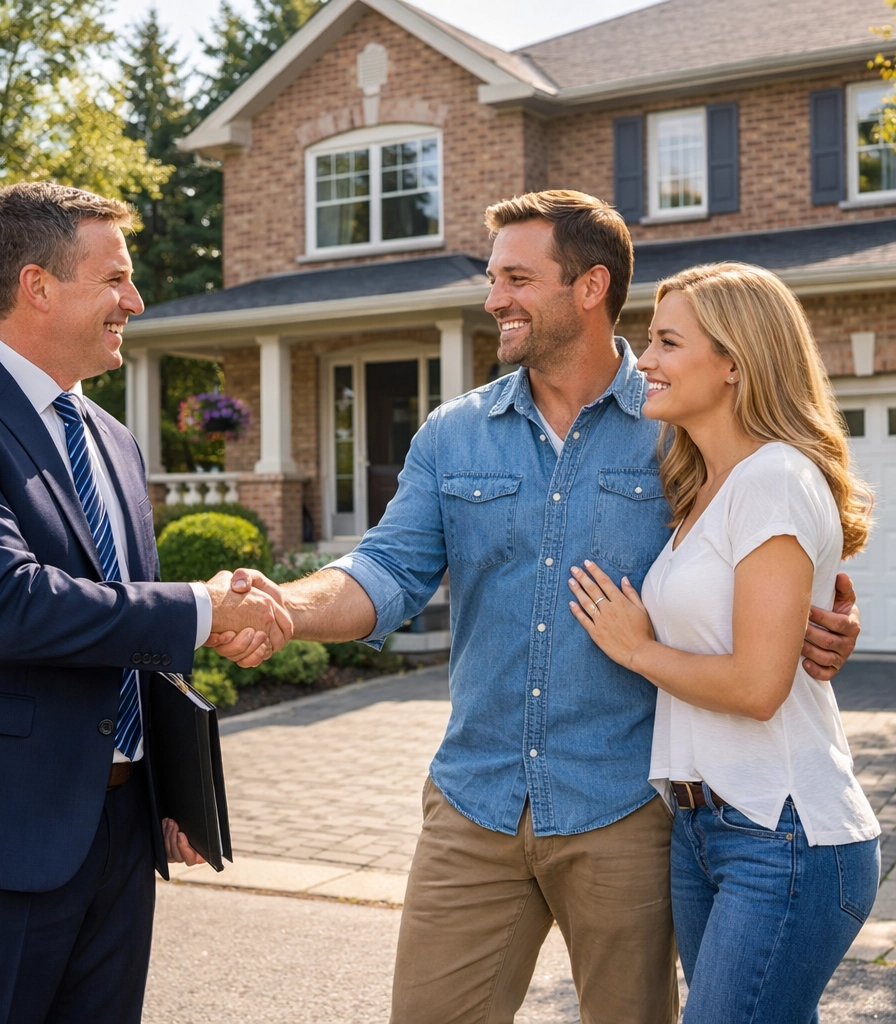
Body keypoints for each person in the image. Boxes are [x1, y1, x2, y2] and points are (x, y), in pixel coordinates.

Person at [241, 192, 863, 1024]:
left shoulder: (681, 420)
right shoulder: (453, 434)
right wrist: (287, 606)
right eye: (493, 277)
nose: (493, 298)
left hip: (628, 810)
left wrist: (821, 626)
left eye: (516, 277)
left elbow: (765, 562)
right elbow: (384, 569)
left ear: (590, 285)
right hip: (477, 797)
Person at [0, 181, 291, 1024]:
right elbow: (10, 607)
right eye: (115, 278)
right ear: (37, 286)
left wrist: (169, 790)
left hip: (119, 833)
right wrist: (203, 606)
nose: (136, 299)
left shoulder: (113, 440)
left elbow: (125, 624)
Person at [566, 261, 882, 1024]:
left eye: (668, 342)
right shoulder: (703, 485)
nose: (644, 360)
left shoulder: (774, 476)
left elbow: (756, 686)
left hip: (784, 835)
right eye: (649, 341)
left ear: (736, 361)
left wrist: (635, 647)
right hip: (703, 829)